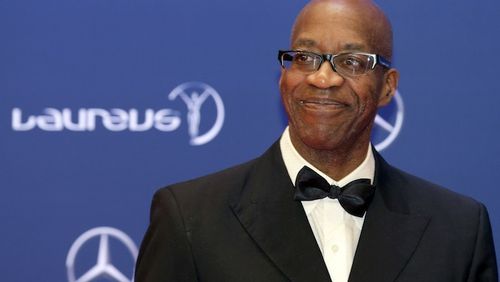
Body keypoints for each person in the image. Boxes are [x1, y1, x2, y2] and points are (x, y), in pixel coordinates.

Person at [134, 0, 498, 281]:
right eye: (305, 58)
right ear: (283, 77)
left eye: (352, 62)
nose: (323, 79)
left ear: (388, 87)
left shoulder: (459, 229)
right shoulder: (190, 218)